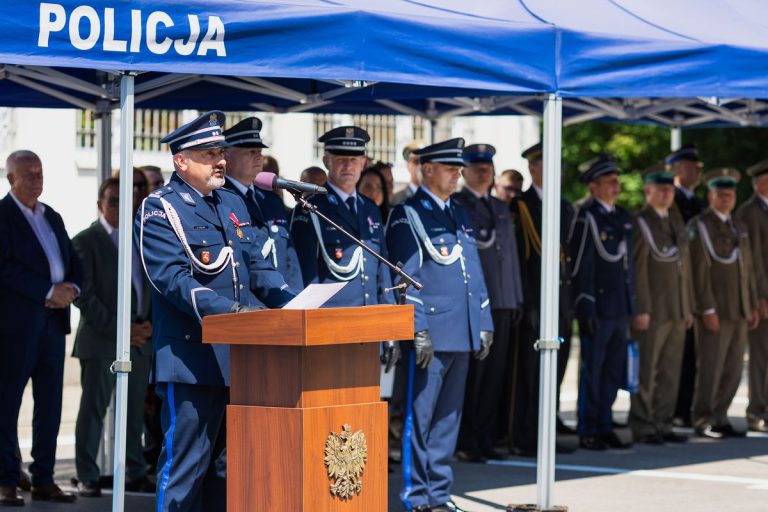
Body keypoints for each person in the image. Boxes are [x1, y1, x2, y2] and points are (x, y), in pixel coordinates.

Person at [136, 111, 295, 511]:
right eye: (209, 153)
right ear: (181, 161)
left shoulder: (230, 202)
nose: (220, 160)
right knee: (186, 469)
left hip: (239, 360)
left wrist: (294, 307)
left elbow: (257, 266)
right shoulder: (161, 208)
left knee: (228, 470)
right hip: (191, 360)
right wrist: (232, 314)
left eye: (221, 152)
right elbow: (172, 279)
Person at [386, 138, 493, 512]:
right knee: (422, 418)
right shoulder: (407, 213)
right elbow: (403, 275)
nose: (457, 175)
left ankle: (440, 494)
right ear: (427, 169)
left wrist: (483, 320)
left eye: (458, 169)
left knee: (449, 419)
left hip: (460, 331)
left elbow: (473, 272)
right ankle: (417, 497)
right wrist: (417, 327)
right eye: (450, 169)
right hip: (430, 331)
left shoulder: (459, 213)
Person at [0, 150, 83, 506]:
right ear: (10, 179)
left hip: (53, 325)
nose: (37, 180)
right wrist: (48, 290)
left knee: (50, 405)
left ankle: (45, 478)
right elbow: (4, 267)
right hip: (17, 327)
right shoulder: (2, 217)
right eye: (29, 174)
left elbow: (73, 261)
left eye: (40, 173)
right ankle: (6, 479)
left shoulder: (53, 216)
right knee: (6, 406)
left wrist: (72, 290)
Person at [290, 126, 399, 370]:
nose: (348, 166)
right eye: (340, 159)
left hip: (369, 325)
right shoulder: (311, 208)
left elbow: (381, 267)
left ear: (363, 162)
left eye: (354, 159)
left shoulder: (370, 208)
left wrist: (389, 327)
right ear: (326, 160)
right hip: (330, 327)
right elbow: (304, 273)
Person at [71, 176, 154, 497]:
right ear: (99, 204)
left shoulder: (140, 237)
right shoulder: (85, 240)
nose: (120, 206)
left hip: (140, 340)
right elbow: (85, 296)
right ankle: (87, 472)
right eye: (112, 200)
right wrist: (121, 329)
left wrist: (148, 325)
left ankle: (134, 470)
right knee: (94, 409)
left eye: (126, 199)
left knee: (134, 412)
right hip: (103, 340)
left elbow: (152, 286)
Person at [452, 143, 523, 463]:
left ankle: (485, 435)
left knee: (494, 375)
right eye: (477, 166)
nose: (484, 171)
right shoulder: (458, 204)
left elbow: (509, 258)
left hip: (503, 302)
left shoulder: (498, 206)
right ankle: (467, 438)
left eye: (488, 166)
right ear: (464, 171)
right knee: (474, 377)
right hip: (477, 305)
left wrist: (515, 297)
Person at [508, 142, 577, 456]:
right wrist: (528, 303)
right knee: (531, 374)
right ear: (533, 168)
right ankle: (526, 435)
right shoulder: (520, 205)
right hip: (535, 299)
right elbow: (521, 259)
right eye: (546, 165)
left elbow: (567, 256)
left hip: (560, 299)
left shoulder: (563, 205)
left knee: (557, 370)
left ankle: (547, 433)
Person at [570, 154, 635, 451]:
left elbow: (627, 267)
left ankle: (606, 422)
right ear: (594, 186)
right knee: (592, 370)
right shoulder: (586, 216)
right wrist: (585, 304)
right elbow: (580, 264)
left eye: (616, 181)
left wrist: (632, 305)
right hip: (598, 305)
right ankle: (589, 426)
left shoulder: (621, 217)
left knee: (613, 370)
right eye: (609, 181)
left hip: (619, 307)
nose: (615, 186)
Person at [688, 168, 760, 439]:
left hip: (739, 308)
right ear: (710, 196)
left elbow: (748, 269)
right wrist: (706, 308)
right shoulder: (700, 225)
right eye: (721, 195)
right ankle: (703, 417)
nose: (726, 199)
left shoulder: (737, 226)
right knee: (711, 367)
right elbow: (698, 272)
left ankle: (721, 415)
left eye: (730, 195)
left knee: (731, 368)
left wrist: (751, 303)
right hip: (716, 309)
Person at [628, 168, 693, 445]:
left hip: (677, 308)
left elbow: (685, 268)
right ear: (648, 192)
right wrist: (641, 307)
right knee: (647, 369)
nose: (667, 194)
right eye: (661, 190)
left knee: (670, 369)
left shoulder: (675, 220)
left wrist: (688, 306)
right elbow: (638, 269)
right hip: (653, 309)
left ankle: (663, 422)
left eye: (670, 190)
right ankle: (643, 424)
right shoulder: (641, 222)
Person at [223, 116, 303, 290]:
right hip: (250, 304)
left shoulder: (270, 200)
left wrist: (296, 297)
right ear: (227, 156)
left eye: (259, 150)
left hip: (284, 298)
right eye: (250, 151)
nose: (259, 156)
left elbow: (290, 257)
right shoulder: (221, 200)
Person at [668, 146, 706, 427]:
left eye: (698, 167)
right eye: (691, 166)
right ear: (677, 170)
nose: (697, 171)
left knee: (693, 353)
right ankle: (675, 410)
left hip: (697, 281)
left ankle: (686, 407)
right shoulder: (672, 202)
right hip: (676, 283)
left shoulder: (699, 202)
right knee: (676, 355)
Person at [735, 160, 768, 432]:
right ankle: (757, 410)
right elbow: (753, 260)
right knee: (760, 357)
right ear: (760, 184)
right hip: (764, 296)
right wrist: (759, 297)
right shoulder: (749, 213)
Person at [391, 141, 423, 205]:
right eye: (416, 161)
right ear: (408, 166)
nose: (420, 166)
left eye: (423, 162)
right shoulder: (397, 198)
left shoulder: (436, 196)